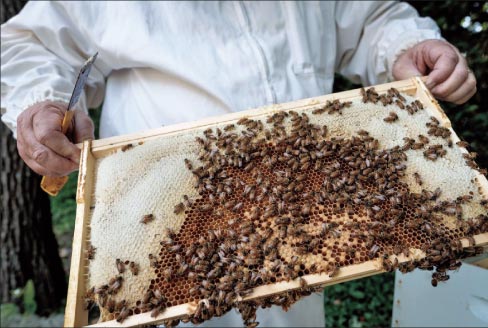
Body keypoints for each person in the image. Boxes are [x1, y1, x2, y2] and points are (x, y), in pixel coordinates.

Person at [0, 1, 477, 327]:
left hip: (306, 220)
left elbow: (370, 17)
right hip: (167, 225)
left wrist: (402, 44)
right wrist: (41, 102)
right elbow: (32, 42)